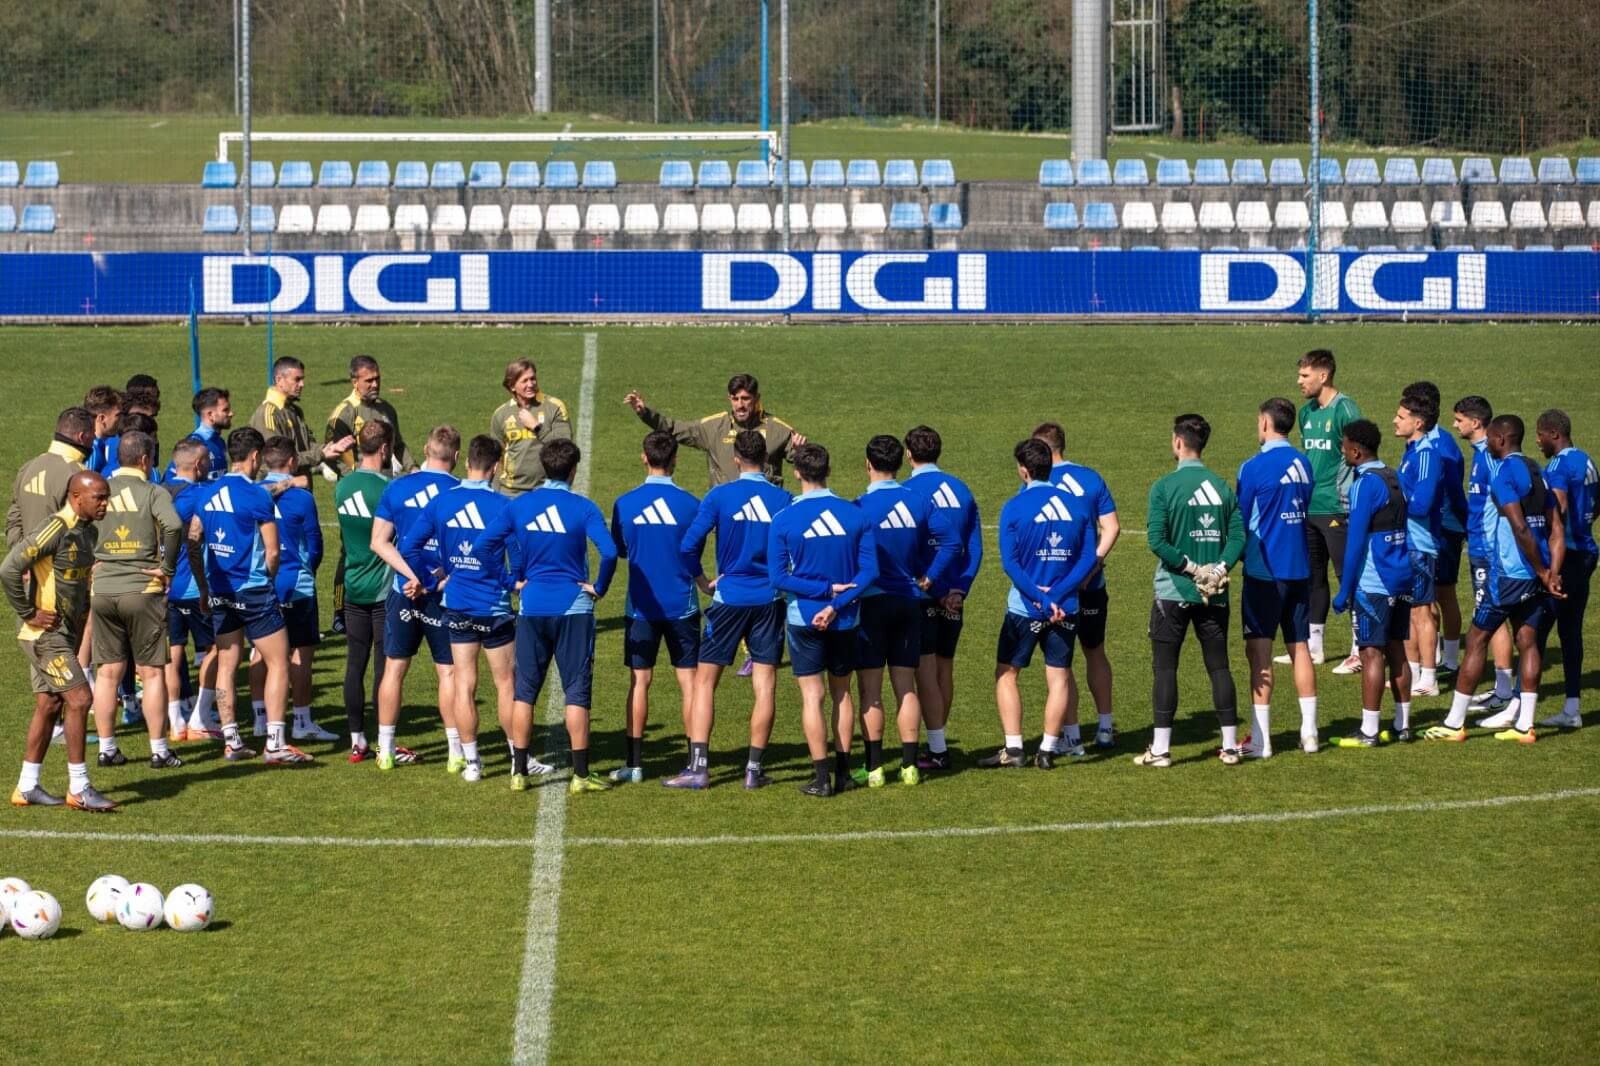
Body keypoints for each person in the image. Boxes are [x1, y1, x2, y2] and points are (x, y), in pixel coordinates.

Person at [478, 437, 618, 793]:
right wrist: (598, 586)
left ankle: (519, 773)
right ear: (573, 470)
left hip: (532, 606)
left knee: (524, 692)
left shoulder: (519, 506)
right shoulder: (583, 507)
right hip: (574, 607)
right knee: (576, 692)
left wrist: (510, 581)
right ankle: (581, 776)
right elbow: (610, 552)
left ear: (543, 468)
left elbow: (483, 547)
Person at [1423, 415, 1564, 743]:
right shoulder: (1537, 472)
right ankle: (1525, 725)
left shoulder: (1502, 476)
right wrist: (1550, 571)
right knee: (1527, 642)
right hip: (1536, 576)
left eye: (1491, 439)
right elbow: (1556, 527)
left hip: (1509, 575)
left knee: (1476, 640)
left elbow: (1520, 528)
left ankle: (1455, 722)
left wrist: (1544, 571)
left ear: (1500, 440)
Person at [673, 430, 793, 790]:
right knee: (765, 686)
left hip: (728, 600)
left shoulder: (719, 496)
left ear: (737, 457)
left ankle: (699, 767)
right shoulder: (783, 498)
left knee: (705, 683)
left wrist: (702, 580)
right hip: (770, 601)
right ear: (767, 459)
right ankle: (753, 771)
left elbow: (687, 546)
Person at [400, 435, 518, 784]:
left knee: (464, 684)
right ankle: (516, 758)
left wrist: (433, 576)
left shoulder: (442, 503)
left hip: (457, 605)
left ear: (467, 462)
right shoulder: (503, 505)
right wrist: (513, 582)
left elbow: (409, 545)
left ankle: (472, 763)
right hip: (493, 606)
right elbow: (519, 557)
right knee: (505, 684)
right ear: (495, 467)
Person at [189, 427, 309, 765]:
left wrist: (202, 585)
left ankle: (232, 740)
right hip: (254, 591)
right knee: (278, 662)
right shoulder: (257, 496)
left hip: (220, 591)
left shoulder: (207, 492)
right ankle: (275, 743)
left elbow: (194, 537)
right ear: (255, 456)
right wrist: (267, 584)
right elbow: (273, 552)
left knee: (227, 663)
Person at [766, 442, 877, 797]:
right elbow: (869, 572)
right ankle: (844, 772)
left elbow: (778, 578)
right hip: (846, 619)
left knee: (812, 697)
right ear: (828, 470)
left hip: (803, 619)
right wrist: (838, 601)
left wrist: (823, 592)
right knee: (842, 693)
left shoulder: (784, 519)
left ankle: (821, 777)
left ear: (797, 472)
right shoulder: (855, 515)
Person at [1136, 414, 1245, 768]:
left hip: (1173, 592)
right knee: (1219, 667)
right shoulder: (1222, 486)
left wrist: (1191, 569)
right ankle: (1229, 747)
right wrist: (1218, 569)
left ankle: (1162, 750)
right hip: (1215, 593)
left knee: (1165, 668)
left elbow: (1156, 540)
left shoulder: (1164, 487)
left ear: (1178, 442)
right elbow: (1239, 538)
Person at [985, 438, 1098, 770]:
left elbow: (1011, 563)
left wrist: (1041, 598)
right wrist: (1059, 596)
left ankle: (1015, 749)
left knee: (1007, 673)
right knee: (1059, 676)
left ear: (1023, 470)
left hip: (1025, 607)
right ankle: (1048, 750)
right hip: (1067, 607)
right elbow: (1087, 557)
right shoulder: (1076, 506)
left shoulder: (1014, 507)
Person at [4, 471, 114, 811]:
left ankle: (27, 786)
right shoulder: (56, 528)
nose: (105, 503)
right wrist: (29, 612)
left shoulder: (88, 533)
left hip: (64, 634)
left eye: (106, 496)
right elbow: (9, 568)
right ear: (76, 497)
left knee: (50, 704)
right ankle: (79, 787)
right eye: (99, 497)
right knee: (80, 699)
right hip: (45, 635)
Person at [852, 435, 957, 785]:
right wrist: (928, 579)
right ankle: (910, 766)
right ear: (900, 462)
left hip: (872, 603)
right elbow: (952, 542)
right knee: (906, 686)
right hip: (910, 603)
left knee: (870, 689)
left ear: (868, 464)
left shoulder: (860, 506)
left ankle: (875, 767)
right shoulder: (918, 501)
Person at [608, 432, 703, 785]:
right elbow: (693, 550)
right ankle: (696, 762)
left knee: (639, 682)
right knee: (690, 685)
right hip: (682, 605)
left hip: (641, 609)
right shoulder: (692, 504)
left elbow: (619, 549)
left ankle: (633, 764)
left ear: (643, 458)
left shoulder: (625, 503)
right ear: (675, 459)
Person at [88, 430, 184, 769]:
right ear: (145, 459)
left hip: (103, 589)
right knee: (152, 672)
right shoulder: (152, 492)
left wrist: (93, 560)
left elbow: (78, 524)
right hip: (141, 589)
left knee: (108, 673)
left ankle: (107, 747)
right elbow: (173, 525)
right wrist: (166, 567)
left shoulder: (99, 490)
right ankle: (159, 749)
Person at [368, 425, 462, 771]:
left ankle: (385, 750)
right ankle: (455, 752)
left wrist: (410, 576)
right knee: (448, 673)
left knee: (394, 669)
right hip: (442, 595)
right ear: (456, 456)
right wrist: (430, 581)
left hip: (402, 592)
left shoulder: (398, 487)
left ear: (425, 448)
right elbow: (466, 554)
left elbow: (379, 542)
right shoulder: (460, 492)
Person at [1236, 398, 1319, 757]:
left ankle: (1260, 739)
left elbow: (1241, 519)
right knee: (1299, 647)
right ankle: (1310, 732)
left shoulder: (1253, 467)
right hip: (1300, 566)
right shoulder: (1303, 463)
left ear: (1266, 423)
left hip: (1263, 570)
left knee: (1259, 651)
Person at [1032, 421, 1121, 749]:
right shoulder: (1090, 477)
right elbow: (1111, 527)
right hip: (1092, 584)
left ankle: (1070, 737)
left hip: (1055, 589)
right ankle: (1105, 728)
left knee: (1060, 662)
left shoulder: (1038, 482)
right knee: (1095, 652)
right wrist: (1093, 564)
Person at [1325, 420, 1413, 746]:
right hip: (1402, 575)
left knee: (1371, 653)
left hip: (1374, 580)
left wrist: (1345, 590)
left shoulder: (1363, 485)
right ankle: (1404, 726)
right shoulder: (1396, 477)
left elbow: (1356, 541)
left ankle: (1369, 730)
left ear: (1356, 450)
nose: (1342, 451)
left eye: (1345, 446)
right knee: (1397, 651)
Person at [901, 426, 983, 772]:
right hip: (955, 595)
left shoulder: (907, 491)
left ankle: (933, 745)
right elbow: (974, 547)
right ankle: (938, 738)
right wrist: (959, 590)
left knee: (925, 672)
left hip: (923, 594)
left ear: (909, 454)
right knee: (945, 668)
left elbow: (908, 552)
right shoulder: (962, 489)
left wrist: (934, 590)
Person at [247, 436, 335, 743]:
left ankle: (259, 719)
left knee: (260, 650)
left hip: (260, 582)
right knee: (301, 654)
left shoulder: (253, 493)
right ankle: (301, 720)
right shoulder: (302, 497)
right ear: (292, 462)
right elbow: (315, 545)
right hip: (296, 584)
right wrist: (308, 571)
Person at [1291, 350, 1363, 672]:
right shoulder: (1306, 414)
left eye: (1305, 376)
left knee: (1347, 576)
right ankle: (1315, 647)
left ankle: (1360, 648)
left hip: (1338, 507)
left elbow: (1360, 456)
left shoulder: (1346, 409)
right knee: (1313, 577)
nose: (1299, 382)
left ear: (1324, 376)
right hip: (1310, 506)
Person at [625, 373, 807, 487]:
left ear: (757, 398)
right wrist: (645, 413)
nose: (740, 405)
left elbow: (809, 465)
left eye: (745, 399)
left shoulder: (778, 429)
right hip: (727, 517)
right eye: (735, 399)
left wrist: (800, 453)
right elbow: (674, 429)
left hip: (765, 515)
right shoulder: (715, 427)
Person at [1452, 396, 1517, 716]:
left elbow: (1503, 505)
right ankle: (1503, 689)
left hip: (1489, 551)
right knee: (1489, 614)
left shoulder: (1491, 458)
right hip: (1479, 546)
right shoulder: (1480, 455)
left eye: (1459, 419)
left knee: (1491, 617)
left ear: (1476, 423)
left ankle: (1505, 690)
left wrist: (1491, 548)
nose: (1455, 425)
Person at [334, 422, 394, 761]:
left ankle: (357, 738)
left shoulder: (342, 486)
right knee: (385, 667)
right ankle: (384, 739)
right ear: (384, 449)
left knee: (355, 663)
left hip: (353, 584)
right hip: (384, 591)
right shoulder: (388, 489)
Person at [1534, 410, 1594, 730]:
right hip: (1586, 551)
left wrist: (1551, 563)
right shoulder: (1587, 460)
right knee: (1570, 631)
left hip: (1566, 557)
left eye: (1540, 434)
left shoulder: (1557, 466)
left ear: (1554, 434)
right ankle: (1572, 707)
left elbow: (1557, 509)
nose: (1537, 440)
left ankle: (1519, 701)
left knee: (1536, 628)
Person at [1407, 381, 1470, 677]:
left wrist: (1465, 525)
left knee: (1441, 594)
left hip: (1441, 528)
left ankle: (1447, 661)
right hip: (1437, 526)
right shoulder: (1424, 442)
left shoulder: (1440, 446)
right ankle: (1436, 658)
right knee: (1430, 596)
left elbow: (1454, 492)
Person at [163, 439, 221, 741]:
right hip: (192, 587)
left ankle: (175, 721)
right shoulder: (200, 494)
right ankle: (201, 715)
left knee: (173, 651)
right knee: (215, 650)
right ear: (199, 465)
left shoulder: (158, 491)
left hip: (162, 588)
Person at [1394, 388, 1444, 697]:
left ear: (1419, 422)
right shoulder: (1411, 451)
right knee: (1411, 610)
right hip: (1407, 541)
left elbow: (1422, 504)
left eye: (1401, 417)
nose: (1395, 421)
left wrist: (1393, 504)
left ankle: (1429, 677)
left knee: (1422, 611)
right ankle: (1413, 675)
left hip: (1420, 543)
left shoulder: (1426, 454)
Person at [250, 356, 355, 478]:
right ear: (279, 380)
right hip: (280, 492)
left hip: (299, 489)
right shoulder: (268, 414)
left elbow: (307, 444)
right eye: (297, 379)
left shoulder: (294, 410)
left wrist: (330, 447)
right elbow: (278, 460)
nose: (302, 384)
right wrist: (321, 454)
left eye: (302, 379)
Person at [8, 407, 93, 548]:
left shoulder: (28, 466)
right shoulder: (81, 476)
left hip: (26, 565)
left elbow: (14, 518)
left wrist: (20, 559)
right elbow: (85, 530)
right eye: (93, 435)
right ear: (82, 437)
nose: (94, 439)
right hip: (60, 568)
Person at [489, 358, 571, 496]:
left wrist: (536, 427)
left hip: (546, 490)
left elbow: (565, 449)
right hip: (510, 493)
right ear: (512, 386)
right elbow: (496, 460)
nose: (531, 384)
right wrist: (495, 493)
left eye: (533, 379)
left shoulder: (554, 407)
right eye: (524, 381)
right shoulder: (501, 414)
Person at [325, 355, 415, 475]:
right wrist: (360, 479)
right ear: (355, 382)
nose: (375, 385)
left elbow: (398, 445)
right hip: (358, 486)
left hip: (384, 484)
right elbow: (336, 458)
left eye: (377, 379)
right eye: (369, 381)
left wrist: (413, 468)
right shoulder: (342, 416)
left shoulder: (387, 409)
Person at [164, 387, 231, 483]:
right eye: (225, 410)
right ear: (210, 415)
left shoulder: (220, 442)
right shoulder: (193, 445)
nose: (231, 413)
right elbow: (170, 480)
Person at [82, 386, 123, 475]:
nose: (121, 419)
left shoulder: (98, 445)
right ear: (102, 418)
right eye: (118, 415)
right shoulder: (92, 452)